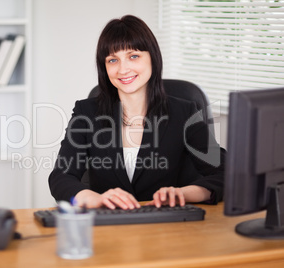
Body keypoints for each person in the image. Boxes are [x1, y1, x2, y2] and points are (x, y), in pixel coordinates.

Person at [48, 15, 225, 210]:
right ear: (104, 67)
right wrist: (93, 198)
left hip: (168, 225)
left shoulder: (184, 113)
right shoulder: (87, 113)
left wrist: (182, 193)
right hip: (107, 225)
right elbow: (61, 177)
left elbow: (224, 173)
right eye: (113, 60)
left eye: (133, 56)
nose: (123, 69)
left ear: (153, 58)